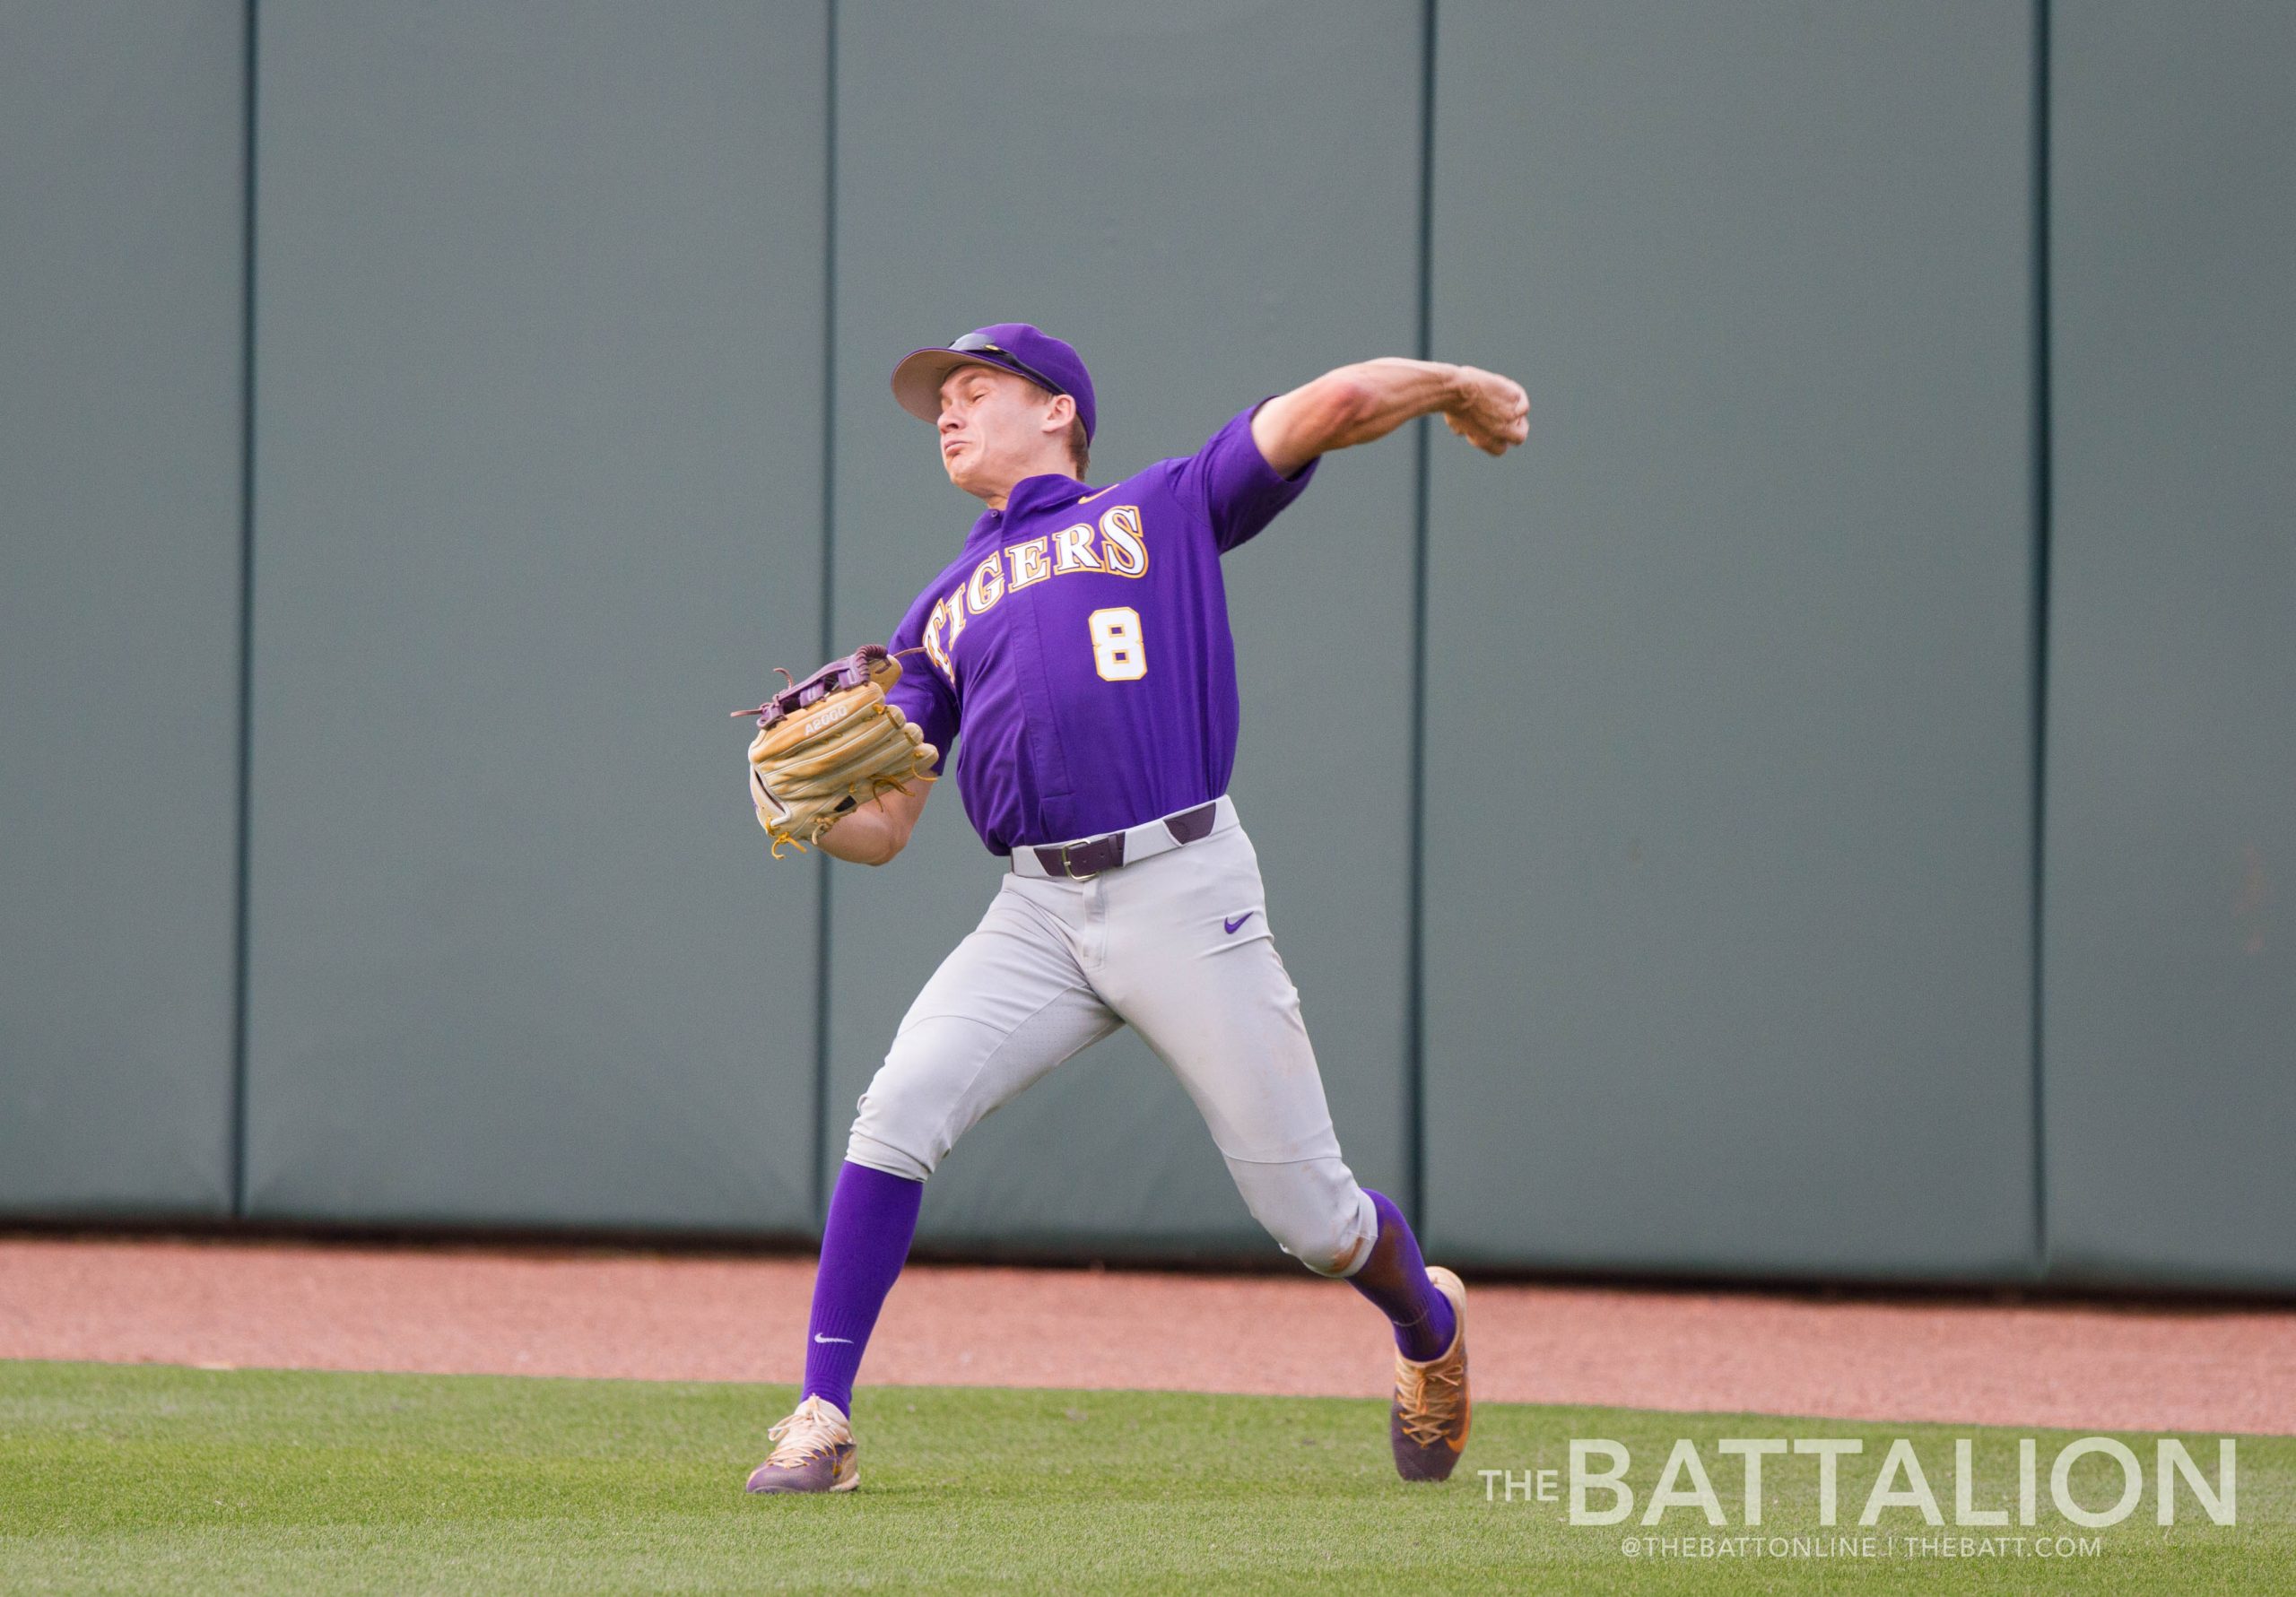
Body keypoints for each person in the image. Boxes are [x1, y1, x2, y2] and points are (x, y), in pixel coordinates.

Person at [745, 324, 1529, 1494]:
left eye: (975, 390)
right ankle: (821, 1415)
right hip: (1037, 914)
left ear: (1058, 408)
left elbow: (1339, 397)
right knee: (897, 1107)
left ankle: (1427, 1323)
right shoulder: (937, 613)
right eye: (939, 402)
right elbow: (888, 830)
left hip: (1183, 880)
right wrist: (798, 806)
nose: (949, 414)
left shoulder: (1162, 506)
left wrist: (1451, 386)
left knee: (1314, 1221)